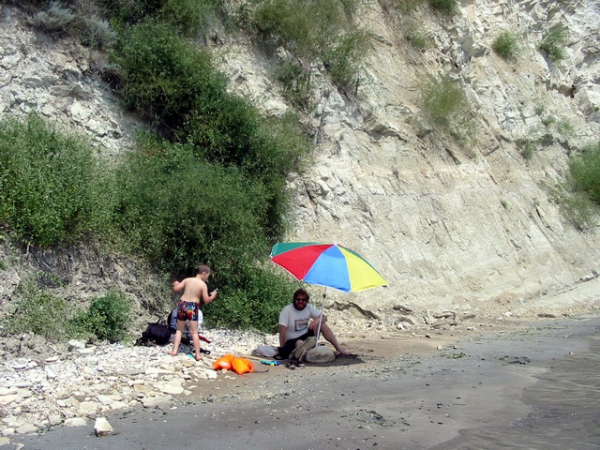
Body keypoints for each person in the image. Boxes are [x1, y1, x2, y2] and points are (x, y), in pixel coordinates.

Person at [278, 288, 355, 359]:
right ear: (294, 300)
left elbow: (325, 317)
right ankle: (310, 350)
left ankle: (339, 348)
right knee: (299, 342)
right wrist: (282, 349)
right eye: (298, 299)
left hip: (306, 336)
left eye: (303, 300)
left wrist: (317, 320)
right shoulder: (287, 310)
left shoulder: (309, 308)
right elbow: (282, 330)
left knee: (322, 323)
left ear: (307, 301)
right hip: (292, 340)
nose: (300, 302)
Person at [169, 264, 218, 361]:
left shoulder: (187, 280)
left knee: (179, 329)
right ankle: (198, 355)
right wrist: (213, 295)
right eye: (208, 275)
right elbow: (206, 300)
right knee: (194, 332)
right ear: (204, 273)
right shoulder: (202, 285)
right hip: (192, 306)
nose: (207, 277)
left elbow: (176, 288)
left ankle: (174, 351)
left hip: (183, 304)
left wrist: (175, 283)